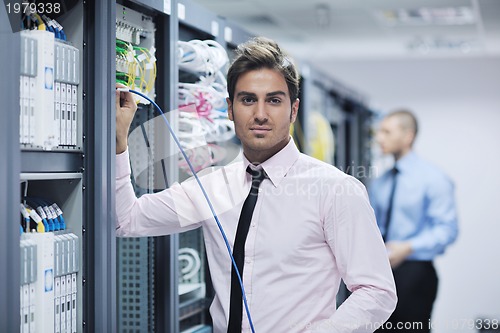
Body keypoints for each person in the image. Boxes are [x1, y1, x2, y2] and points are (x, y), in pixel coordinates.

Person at [115, 37, 397, 333]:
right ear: (229, 108)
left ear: (293, 110)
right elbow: (126, 220)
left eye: (274, 100)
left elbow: (377, 292)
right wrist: (119, 142)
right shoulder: (214, 187)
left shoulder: (335, 190)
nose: (260, 113)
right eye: (248, 99)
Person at [369, 110, 459, 332]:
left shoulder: (433, 179)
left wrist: (408, 247)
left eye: (387, 132)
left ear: (408, 136)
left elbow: (447, 229)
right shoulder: (380, 182)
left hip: (415, 274)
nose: (379, 138)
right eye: (379, 131)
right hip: (380, 272)